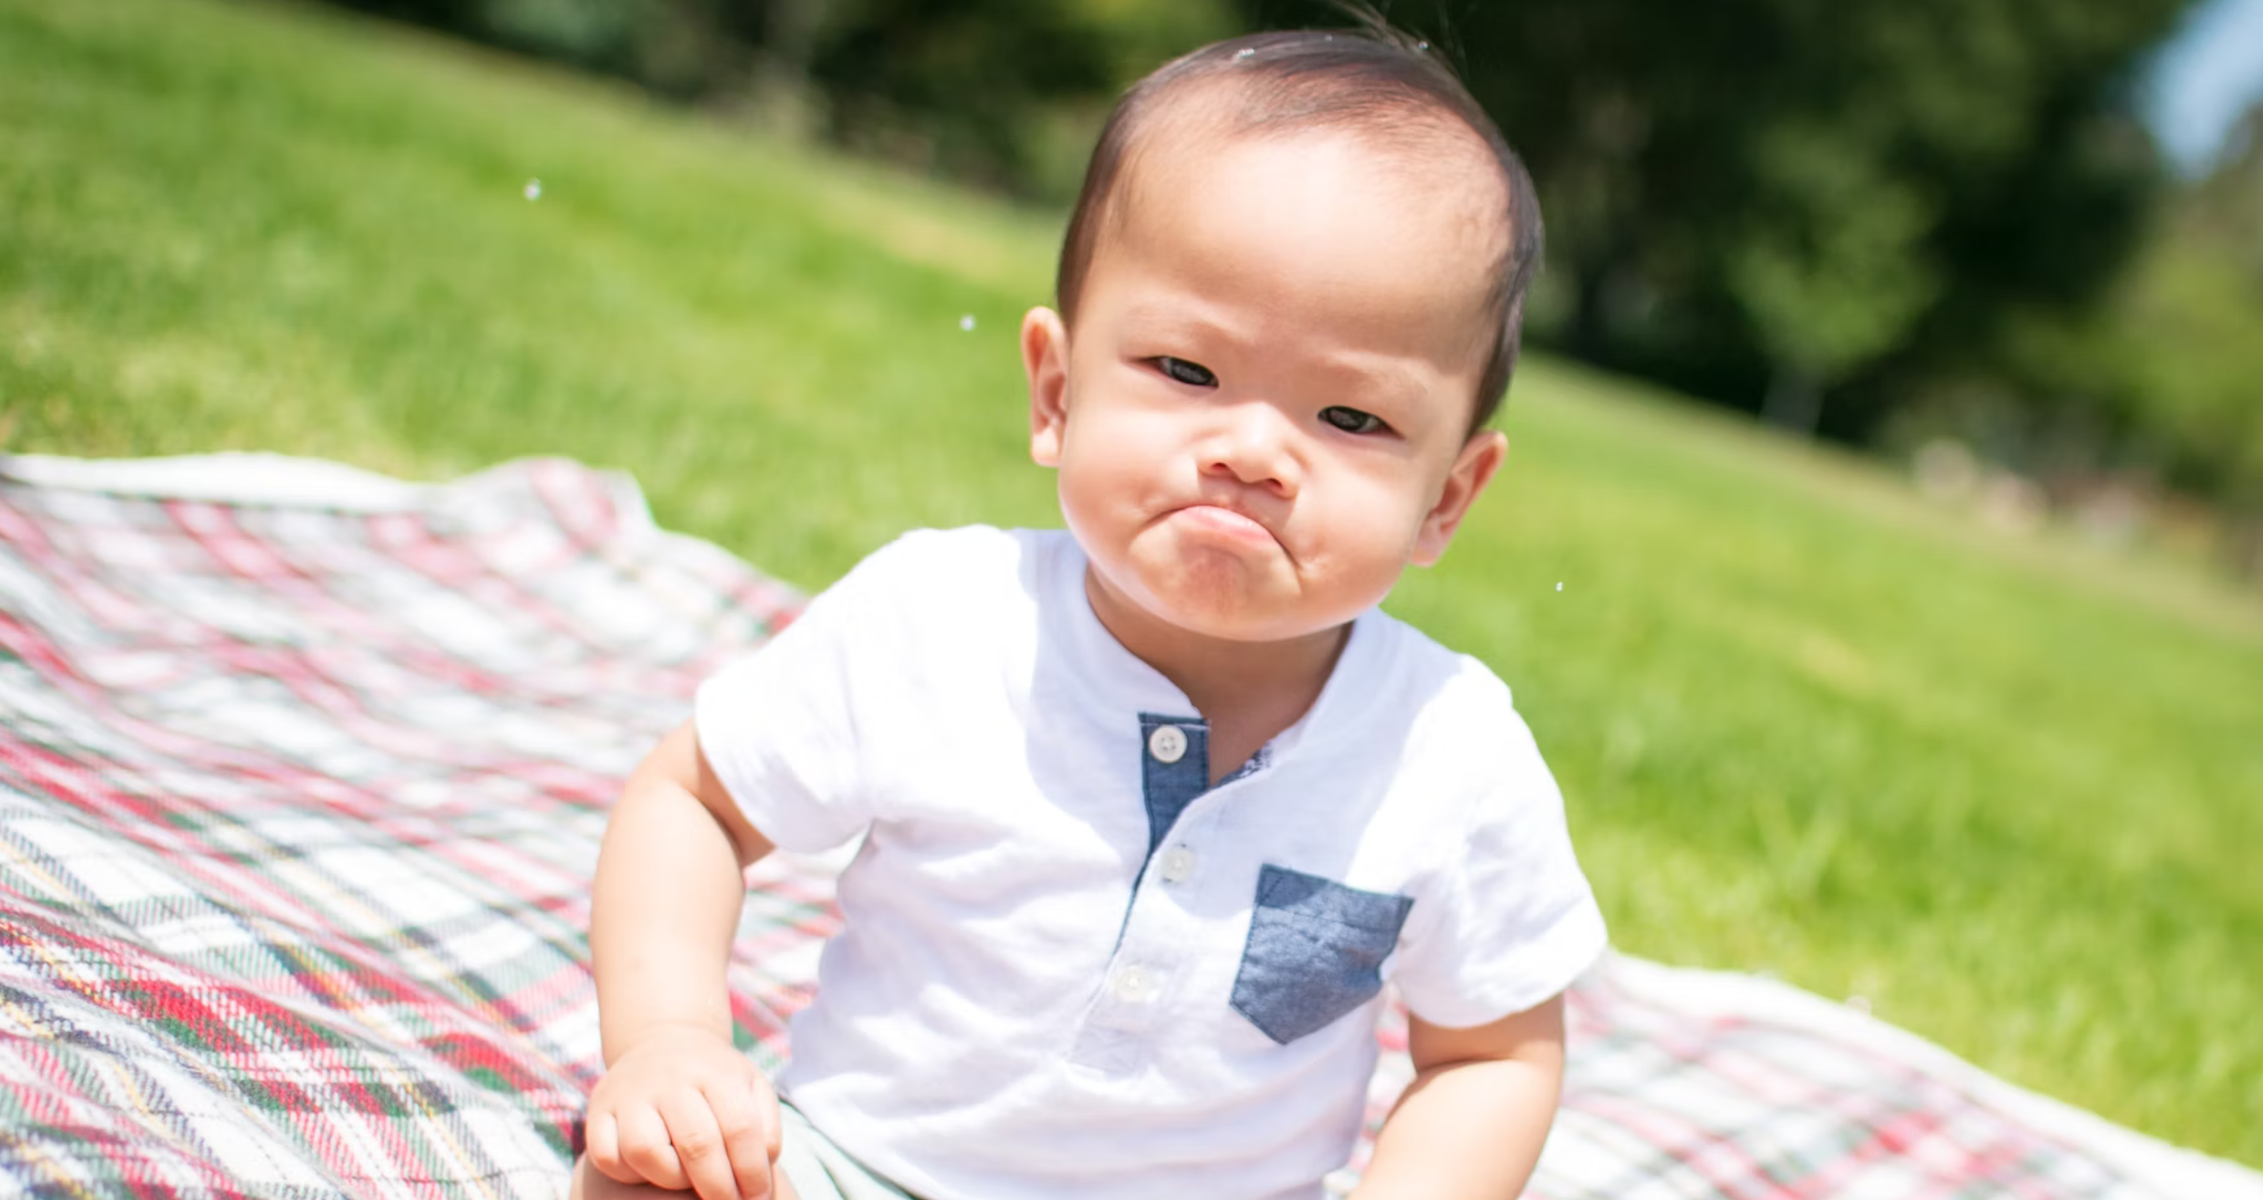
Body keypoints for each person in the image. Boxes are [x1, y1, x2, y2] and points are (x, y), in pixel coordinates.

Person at [572, 25, 1606, 1200]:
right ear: (1058, 392)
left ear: (1447, 498)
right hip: (852, 1164)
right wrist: (670, 1043)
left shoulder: (1449, 754)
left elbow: (1493, 1054)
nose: (1255, 450)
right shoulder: (945, 622)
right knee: (643, 1185)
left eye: (1352, 419)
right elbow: (693, 805)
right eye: (1188, 371)